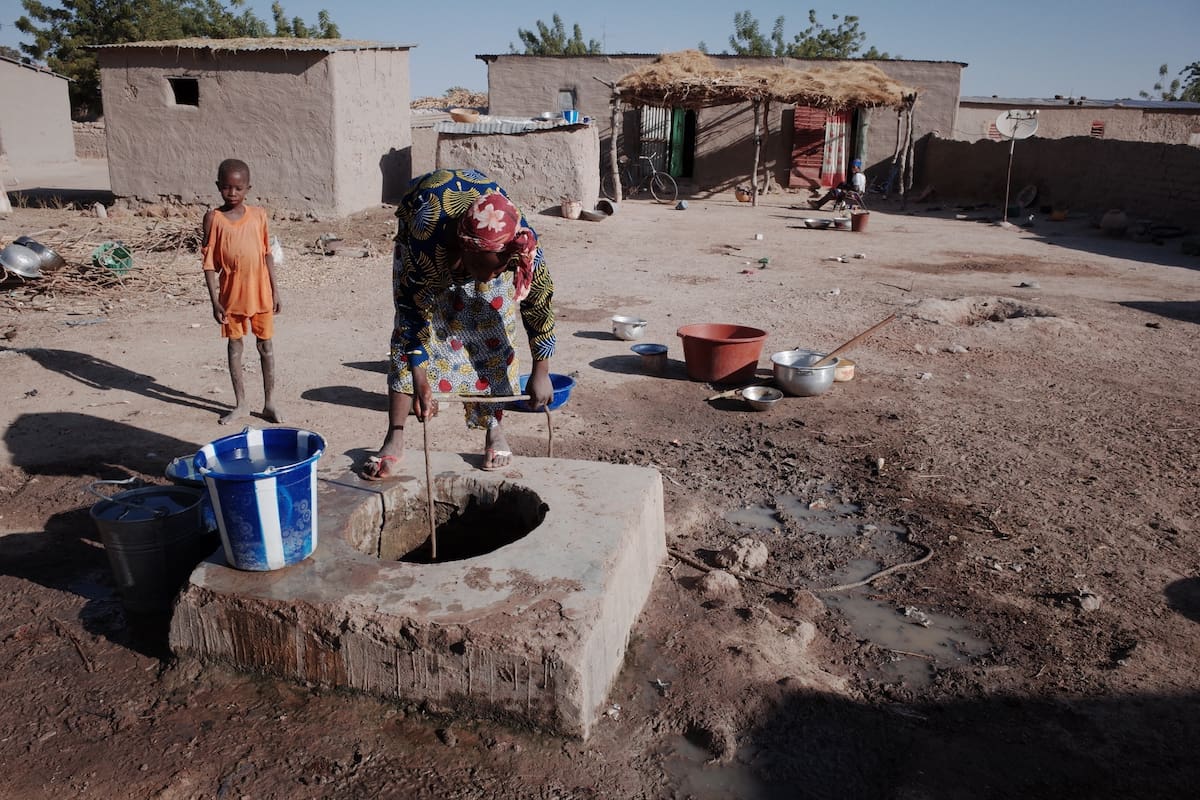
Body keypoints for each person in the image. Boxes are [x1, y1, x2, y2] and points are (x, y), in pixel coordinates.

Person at [361, 169, 556, 480]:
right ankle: (394, 436)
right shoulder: (426, 240)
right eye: (482, 269)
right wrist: (419, 377)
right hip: (425, 239)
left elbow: (539, 302)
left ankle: (494, 429)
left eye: (498, 272)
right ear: (464, 251)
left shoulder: (518, 244)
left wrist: (541, 371)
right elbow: (413, 313)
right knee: (403, 342)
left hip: (479, 246)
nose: (490, 278)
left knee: (493, 333)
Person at [201, 158, 283, 425]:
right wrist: (215, 301)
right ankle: (241, 404)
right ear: (218, 187)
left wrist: (276, 290)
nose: (232, 193)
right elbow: (210, 263)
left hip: (260, 294)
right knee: (235, 346)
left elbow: (267, 255)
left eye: (238, 188)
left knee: (266, 347)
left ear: (248, 188)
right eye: (226, 188)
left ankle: (269, 403)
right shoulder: (214, 219)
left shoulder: (258, 215)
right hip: (232, 297)